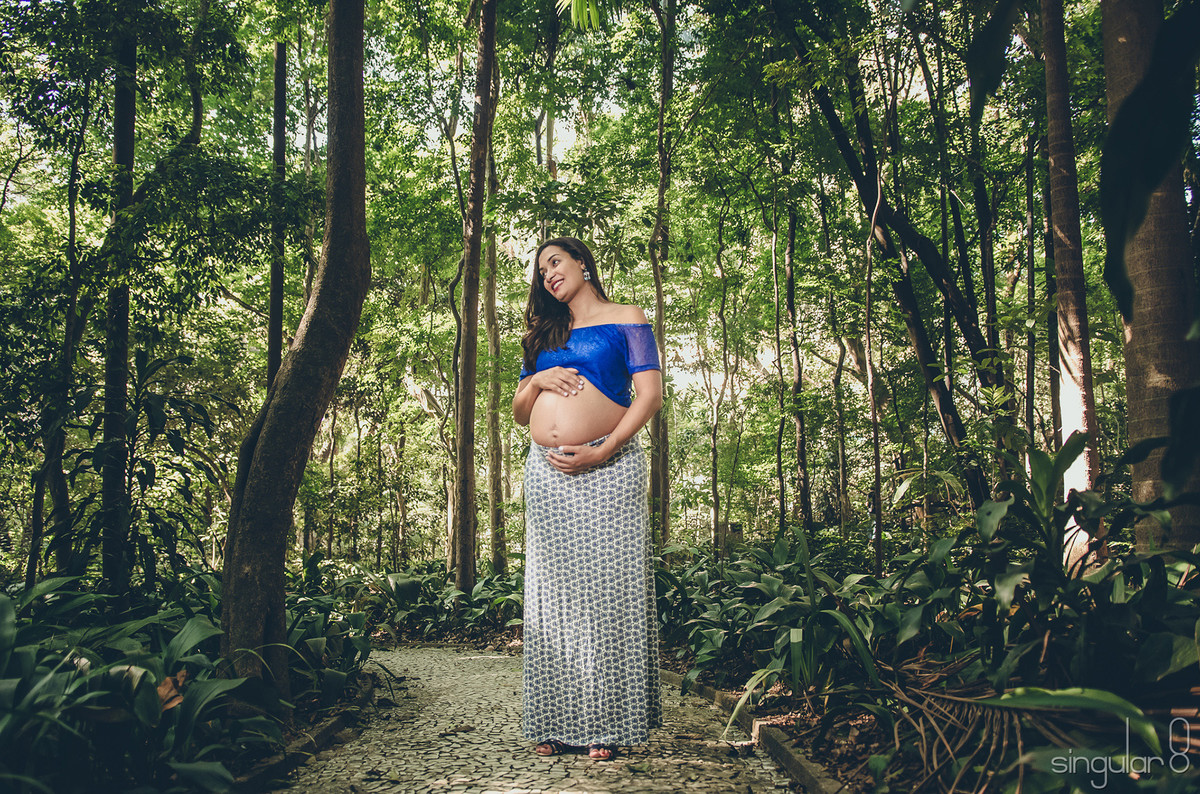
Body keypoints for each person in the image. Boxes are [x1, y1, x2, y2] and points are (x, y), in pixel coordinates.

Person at [512, 236, 664, 761]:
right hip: (548, 476)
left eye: (556, 262)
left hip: (610, 469)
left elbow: (649, 395)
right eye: (542, 271)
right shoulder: (543, 334)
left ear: (582, 262)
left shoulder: (627, 317)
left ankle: (607, 725)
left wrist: (607, 449)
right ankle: (552, 722)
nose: (550, 274)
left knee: (607, 595)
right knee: (553, 600)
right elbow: (517, 409)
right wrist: (539, 379)